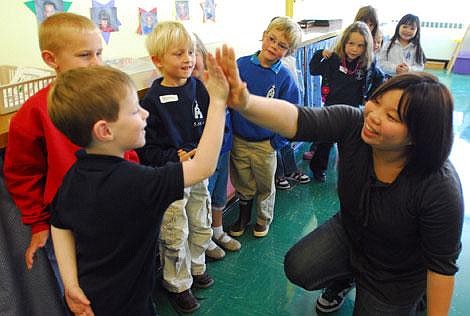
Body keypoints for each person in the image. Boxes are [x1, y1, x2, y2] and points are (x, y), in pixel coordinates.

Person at [217, 45, 463, 316]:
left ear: (418, 134)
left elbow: (441, 269)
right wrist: (245, 102)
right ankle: (346, 277)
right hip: (353, 231)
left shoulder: (440, 187)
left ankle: (414, 300)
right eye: (377, 101)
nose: (374, 117)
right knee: (299, 266)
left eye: (391, 116)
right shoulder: (354, 123)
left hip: (397, 274)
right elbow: (297, 119)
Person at [49, 62, 228, 315]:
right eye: (134, 111)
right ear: (105, 130)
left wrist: (70, 283)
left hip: (88, 297)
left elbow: (59, 223)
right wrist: (219, 102)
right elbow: (203, 167)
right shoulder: (138, 182)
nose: (145, 114)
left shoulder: (73, 176)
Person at [3, 12, 139, 294]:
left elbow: (127, 151)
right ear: (51, 59)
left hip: (117, 210)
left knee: (125, 279)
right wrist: (38, 223)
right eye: (85, 55)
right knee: (77, 290)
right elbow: (22, 174)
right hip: (68, 226)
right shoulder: (34, 112)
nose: (97, 63)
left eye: (100, 53)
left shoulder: (110, 99)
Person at [136, 21, 212, 313]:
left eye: (191, 52)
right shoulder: (152, 101)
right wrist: (172, 157)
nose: (188, 59)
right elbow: (147, 149)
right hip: (172, 178)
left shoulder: (200, 89)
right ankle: (177, 283)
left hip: (200, 173)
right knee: (175, 230)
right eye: (179, 54)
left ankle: (196, 266)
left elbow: (211, 126)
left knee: (200, 220)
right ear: (158, 61)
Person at [228, 16, 302, 238]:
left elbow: (292, 113)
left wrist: (276, 142)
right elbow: (228, 99)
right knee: (243, 182)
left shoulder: (284, 78)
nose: (274, 46)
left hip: (265, 144)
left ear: (287, 53)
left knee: (265, 185)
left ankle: (262, 219)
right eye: (272, 39)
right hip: (240, 140)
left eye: (282, 46)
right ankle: (243, 217)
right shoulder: (240, 65)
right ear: (263, 36)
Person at [308, 21, 385, 182]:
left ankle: (348, 173)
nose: (355, 49)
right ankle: (318, 169)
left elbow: (379, 79)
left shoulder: (367, 64)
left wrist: (370, 98)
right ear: (344, 43)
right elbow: (314, 69)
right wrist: (320, 54)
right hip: (332, 108)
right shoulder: (334, 59)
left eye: (360, 45)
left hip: (353, 110)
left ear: (366, 47)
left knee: (350, 145)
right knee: (325, 141)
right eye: (351, 44)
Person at [192, 33, 241, 260]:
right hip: (203, 155)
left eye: (192, 52)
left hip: (224, 147)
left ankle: (218, 231)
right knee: (204, 197)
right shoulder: (187, 88)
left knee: (219, 193)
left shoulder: (215, 80)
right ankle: (204, 240)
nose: (189, 60)